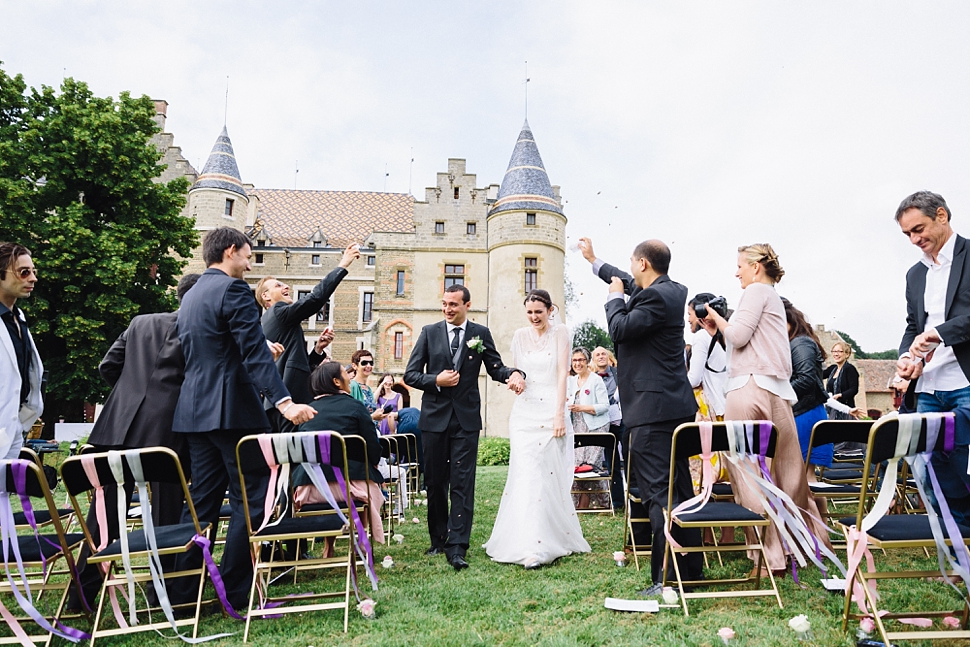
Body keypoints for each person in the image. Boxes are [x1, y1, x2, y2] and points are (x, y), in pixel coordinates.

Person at [169, 227, 316, 611]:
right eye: (248, 256)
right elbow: (252, 353)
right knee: (251, 501)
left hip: (194, 411)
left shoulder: (192, 295)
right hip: (233, 412)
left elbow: (211, 350)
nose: (250, 265)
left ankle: (182, 595)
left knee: (199, 504)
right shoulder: (233, 291)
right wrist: (284, 403)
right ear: (231, 251)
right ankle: (235, 593)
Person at [579, 236, 702, 596]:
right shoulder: (672, 290)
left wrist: (613, 298)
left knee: (657, 494)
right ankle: (689, 570)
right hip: (674, 407)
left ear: (644, 264)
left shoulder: (652, 298)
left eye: (632, 263)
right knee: (681, 488)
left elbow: (619, 328)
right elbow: (626, 279)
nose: (630, 270)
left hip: (651, 410)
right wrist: (594, 261)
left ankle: (665, 578)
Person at [699, 243, 831, 577]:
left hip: (747, 392)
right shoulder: (773, 299)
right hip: (778, 394)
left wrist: (717, 318)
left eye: (740, 265)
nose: (737, 272)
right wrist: (721, 333)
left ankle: (767, 558)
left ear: (756, 266)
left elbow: (740, 337)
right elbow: (747, 344)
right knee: (789, 473)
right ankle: (805, 545)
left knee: (749, 474)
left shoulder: (755, 291)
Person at [69, 273, 200, 608]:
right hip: (167, 432)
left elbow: (107, 365)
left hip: (118, 427)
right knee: (167, 515)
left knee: (105, 516)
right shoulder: (199, 330)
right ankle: (163, 594)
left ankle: (80, 596)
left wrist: (129, 394)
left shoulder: (141, 322)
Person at [404, 284, 525, 571]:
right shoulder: (429, 333)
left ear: (467, 305)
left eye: (453, 305)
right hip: (434, 420)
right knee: (435, 482)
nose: (447, 309)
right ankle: (438, 538)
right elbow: (410, 374)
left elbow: (495, 368)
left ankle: (458, 546)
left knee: (462, 482)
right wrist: (436, 380)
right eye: (445, 304)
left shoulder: (480, 334)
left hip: (466, 420)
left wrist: (515, 373)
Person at [483, 290, 591, 568]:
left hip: (550, 410)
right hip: (524, 414)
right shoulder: (519, 335)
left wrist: (559, 414)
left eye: (539, 312)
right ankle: (524, 541)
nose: (534, 318)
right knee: (525, 474)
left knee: (545, 474)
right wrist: (515, 380)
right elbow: (520, 371)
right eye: (530, 312)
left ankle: (543, 543)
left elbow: (561, 375)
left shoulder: (561, 333)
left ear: (549, 310)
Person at [894, 190, 970, 520]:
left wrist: (941, 334)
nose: (914, 239)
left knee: (961, 469)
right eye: (907, 234)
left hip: (965, 382)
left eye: (918, 229)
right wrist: (905, 358)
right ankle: (956, 555)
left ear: (942, 216)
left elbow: (935, 329)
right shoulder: (915, 274)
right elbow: (914, 326)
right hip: (928, 388)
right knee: (931, 471)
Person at [256, 242, 359, 433]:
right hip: (291, 401)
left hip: (276, 404)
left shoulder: (270, 322)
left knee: (281, 458)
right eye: (278, 285)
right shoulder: (278, 312)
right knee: (298, 456)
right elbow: (314, 300)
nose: (286, 286)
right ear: (266, 296)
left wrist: (318, 349)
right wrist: (343, 264)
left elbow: (294, 363)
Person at [294, 362, 386, 544]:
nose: (350, 379)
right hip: (351, 487)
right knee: (372, 489)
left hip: (309, 488)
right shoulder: (356, 407)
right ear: (337, 382)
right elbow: (372, 447)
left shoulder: (307, 411)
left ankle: (329, 545)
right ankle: (360, 541)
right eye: (346, 374)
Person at [0, 242, 42, 460]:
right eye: (24, 272)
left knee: (5, 494)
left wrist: (20, 420)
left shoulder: (18, 318)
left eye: (33, 272)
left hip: (13, 427)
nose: (33, 278)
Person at [567, 347, 612, 510]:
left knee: (591, 466)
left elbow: (604, 406)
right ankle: (579, 503)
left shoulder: (596, 380)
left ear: (587, 362)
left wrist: (582, 407)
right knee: (577, 465)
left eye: (581, 360)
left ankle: (604, 504)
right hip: (577, 428)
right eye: (574, 360)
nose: (577, 363)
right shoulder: (571, 381)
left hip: (596, 427)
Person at [591, 346, 625, 509]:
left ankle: (635, 497)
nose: (601, 356)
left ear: (608, 356)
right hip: (604, 423)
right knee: (612, 464)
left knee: (630, 458)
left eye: (603, 353)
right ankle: (618, 502)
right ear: (594, 359)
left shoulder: (619, 373)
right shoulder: (592, 378)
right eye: (597, 354)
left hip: (623, 420)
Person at [822, 341, 859, 420]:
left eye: (840, 351)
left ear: (847, 354)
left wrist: (840, 395)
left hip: (847, 410)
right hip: (832, 410)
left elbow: (854, 389)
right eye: (834, 351)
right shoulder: (832, 369)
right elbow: (818, 375)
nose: (836, 354)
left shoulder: (850, 369)